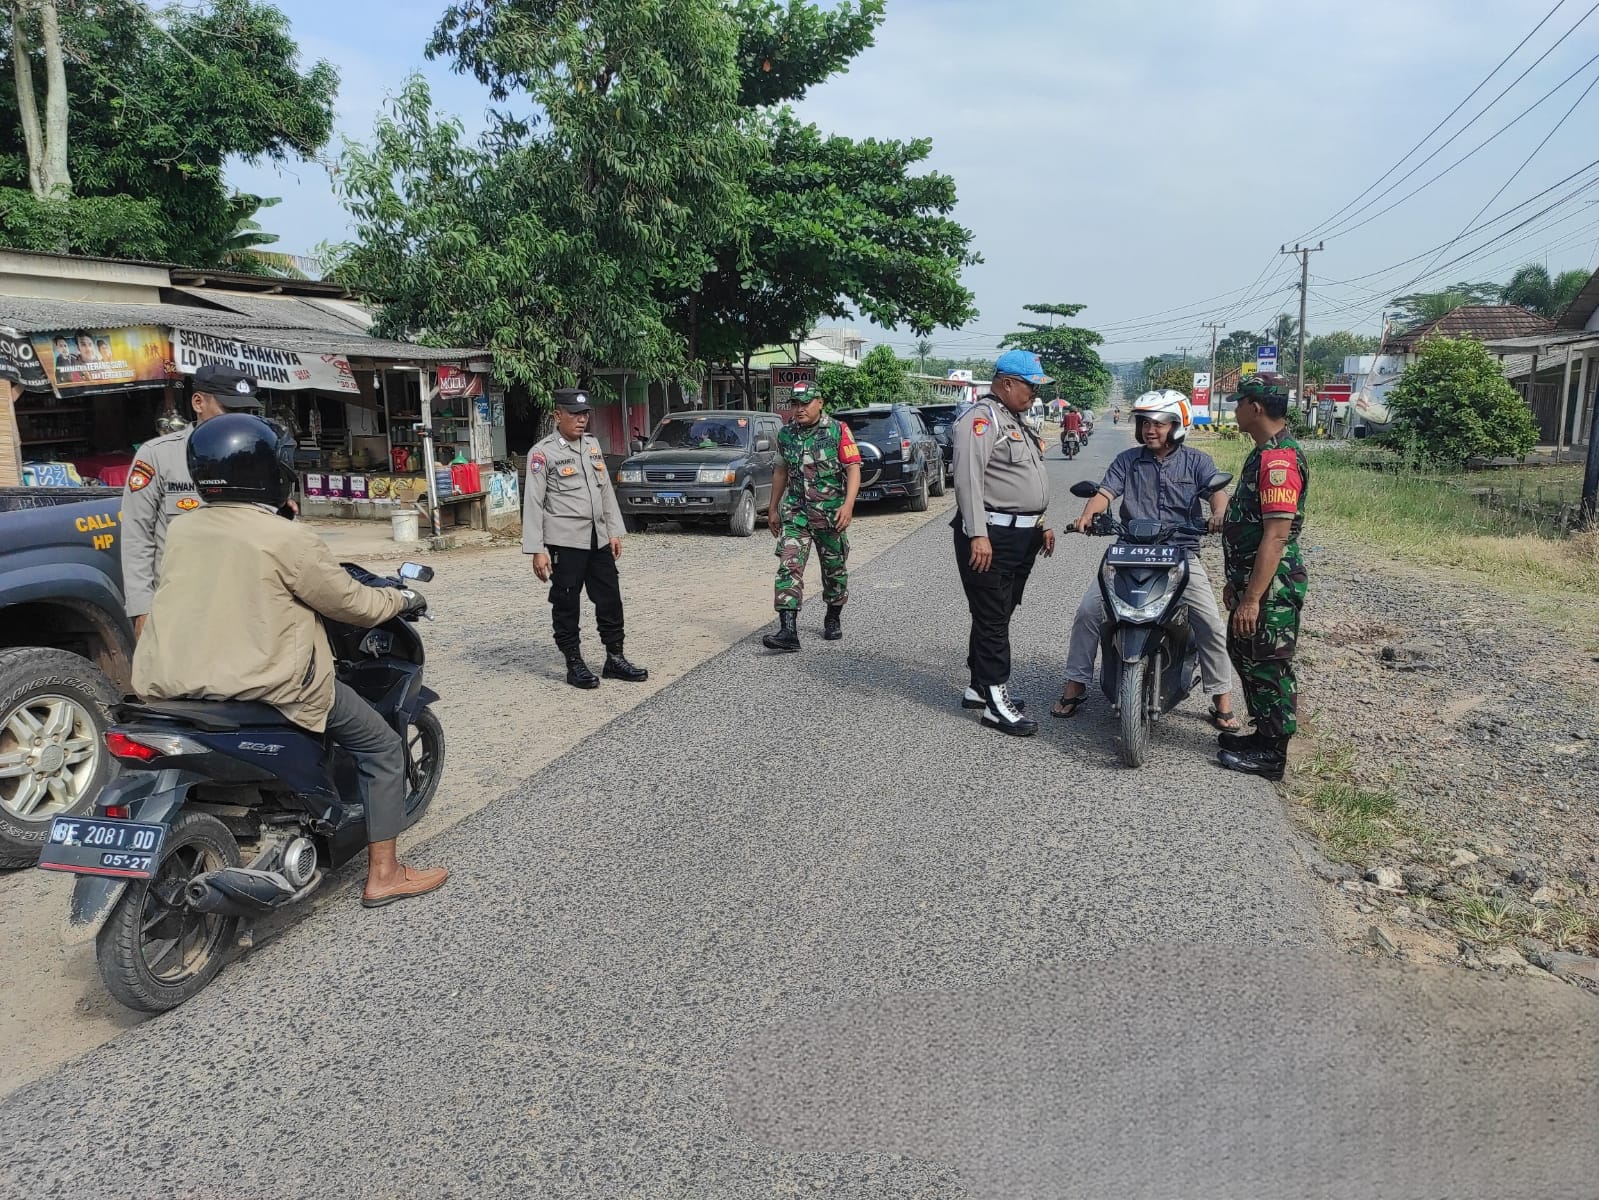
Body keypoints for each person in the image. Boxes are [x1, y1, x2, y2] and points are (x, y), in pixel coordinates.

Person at [132, 414, 447, 908]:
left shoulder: (183, 528)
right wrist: (403, 601)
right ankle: (384, 874)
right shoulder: (286, 537)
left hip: (172, 683)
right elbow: (355, 605)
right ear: (270, 470)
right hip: (267, 684)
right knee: (383, 748)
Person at [1053, 390, 1237, 728]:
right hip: (1127, 553)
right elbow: (1104, 494)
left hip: (1180, 554)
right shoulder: (1127, 461)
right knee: (1088, 612)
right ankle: (1075, 685)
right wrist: (1086, 517)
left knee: (1209, 622)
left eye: (1160, 424)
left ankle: (1221, 699)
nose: (1150, 430)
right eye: (1145, 423)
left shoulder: (1198, 462)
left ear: (1178, 425)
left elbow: (1217, 494)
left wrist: (1219, 515)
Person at [952, 349, 1056, 736]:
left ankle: (979, 686)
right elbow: (968, 480)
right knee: (993, 616)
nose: (1034, 394)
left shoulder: (1016, 419)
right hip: (991, 534)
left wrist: (1041, 522)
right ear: (1007, 383)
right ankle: (996, 702)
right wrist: (977, 532)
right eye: (1030, 386)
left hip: (1021, 534)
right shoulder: (981, 420)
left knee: (1001, 609)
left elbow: (1026, 481)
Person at [122, 363, 265, 636]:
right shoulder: (158, 455)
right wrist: (142, 608)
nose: (240, 419)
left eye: (246, 411)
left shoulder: (256, 454)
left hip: (242, 601)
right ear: (198, 402)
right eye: (230, 410)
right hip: (180, 605)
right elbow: (136, 536)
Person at [522, 388, 648, 689]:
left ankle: (614, 658)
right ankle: (574, 662)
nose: (582, 420)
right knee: (566, 601)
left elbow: (605, 492)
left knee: (610, 599)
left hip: (598, 538)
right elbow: (534, 503)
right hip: (565, 541)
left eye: (585, 414)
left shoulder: (592, 446)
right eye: (575, 414)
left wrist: (613, 531)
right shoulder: (542, 453)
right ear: (557, 416)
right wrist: (536, 550)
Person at [1217, 373, 1310, 780]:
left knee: (1268, 662)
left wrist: (1253, 598)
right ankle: (1261, 735)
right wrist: (1237, 584)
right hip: (1253, 581)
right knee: (1244, 652)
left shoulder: (1278, 461)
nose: (1234, 409)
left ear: (1255, 408)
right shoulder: (1262, 453)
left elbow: (1275, 536)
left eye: (1238, 403)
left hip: (1271, 587)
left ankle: (1273, 753)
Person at [761, 381, 861, 651]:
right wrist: (772, 508)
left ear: (820, 402)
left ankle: (833, 615)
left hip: (830, 515)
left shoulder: (838, 431)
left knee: (834, 572)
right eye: (795, 404)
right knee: (788, 567)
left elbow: (853, 468)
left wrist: (848, 505)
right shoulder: (786, 434)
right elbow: (781, 471)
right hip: (796, 514)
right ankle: (788, 632)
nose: (799, 409)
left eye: (805, 403)